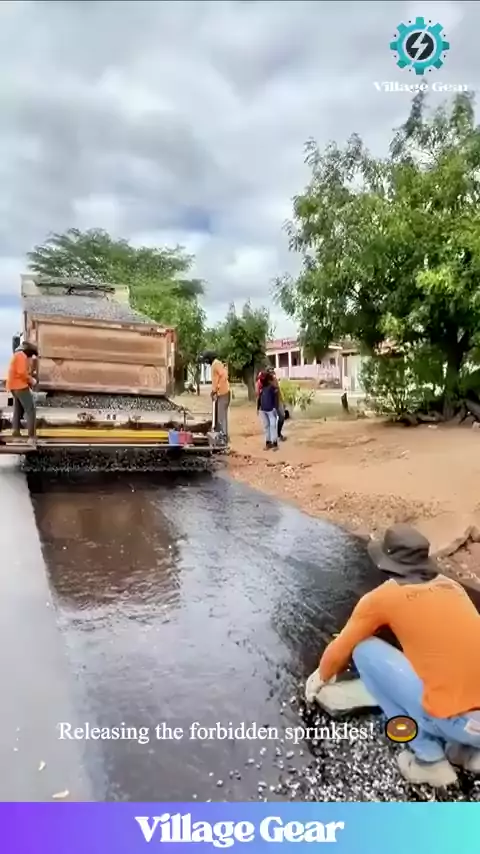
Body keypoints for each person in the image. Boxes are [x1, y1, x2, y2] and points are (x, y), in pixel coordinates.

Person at [309, 524, 480, 787]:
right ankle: (467, 752)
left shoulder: (383, 598)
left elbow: (341, 647)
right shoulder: (452, 587)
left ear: (387, 563)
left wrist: (321, 677)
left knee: (364, 650)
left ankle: (429, 761)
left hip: (458, 722)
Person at [6, 341, 38, 445]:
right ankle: (31, 437)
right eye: (32, 355)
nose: (31, 358)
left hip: (13, 386)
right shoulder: (21, 356)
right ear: (29, 353)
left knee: (18, 409)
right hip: (20, 386)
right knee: (31, 410)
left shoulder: (18, 355)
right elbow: (21, 373)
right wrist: (31, 380)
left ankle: (16, 433)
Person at [203, 351, 230, 439]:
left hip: (223, 393)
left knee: (222, 416)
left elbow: (224, 375)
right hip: (219, 393)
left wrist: (218, 387)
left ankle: (224, 435)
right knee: (218, 415)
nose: (206, 362)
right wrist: (214, 391)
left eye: (206, 360)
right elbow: (216, 379)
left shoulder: (216, 363)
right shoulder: (214, 364)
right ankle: (220, 433)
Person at [257, 371, 279, 450]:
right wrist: (258, 408)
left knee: (272, 426)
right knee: (267, 426)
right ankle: (268, 442)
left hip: (270, 410)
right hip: (263, 410)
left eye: (262, 379)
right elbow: (259, 398)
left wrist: (275, 408)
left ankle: (274, 443)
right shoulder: (262, 387)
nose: (260, 380)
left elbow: (276, 398)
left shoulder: (272, 387)